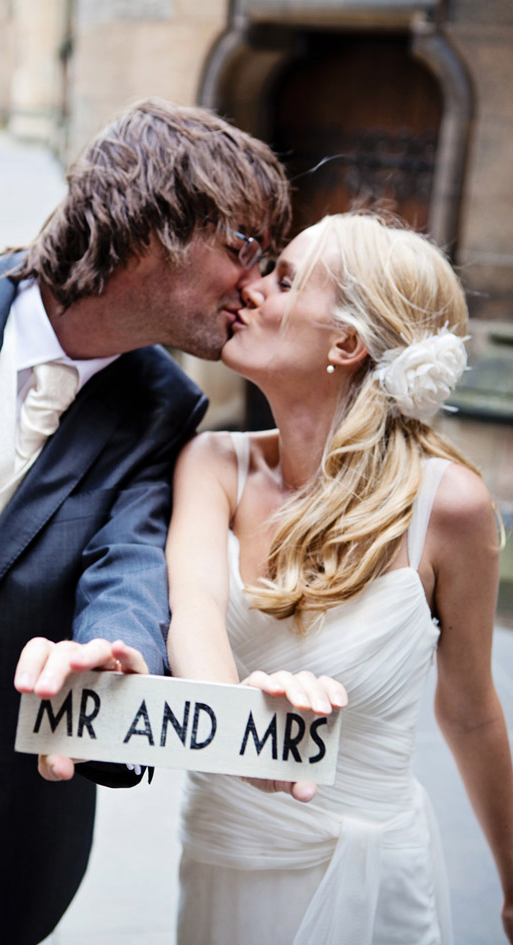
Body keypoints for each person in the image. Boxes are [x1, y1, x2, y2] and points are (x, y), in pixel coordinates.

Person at [0, 98, 291, 945]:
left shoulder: (162, 408)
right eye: (245, 248)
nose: (256, 288)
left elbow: (131, 558)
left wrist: (114, 652)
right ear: (155, 222)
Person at [166, 211, 513, 945]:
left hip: (373, 871)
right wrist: (236, 718)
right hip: (228, 854)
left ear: (347, 343)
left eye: (285, 278)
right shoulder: (214, 464)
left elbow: (470, 706)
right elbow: (191, 610)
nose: (251, 288)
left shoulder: (448, 506)